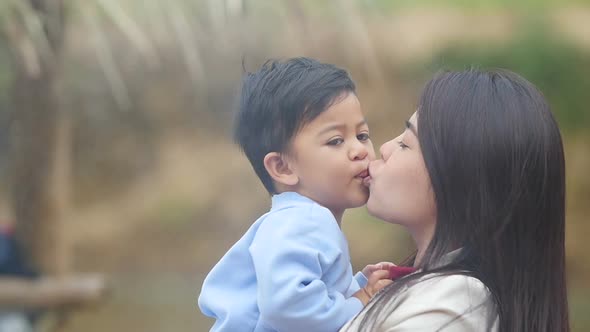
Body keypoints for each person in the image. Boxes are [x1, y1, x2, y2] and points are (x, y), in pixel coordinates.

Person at [342, 69, 569, 331]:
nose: (384, 149)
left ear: (460, 178)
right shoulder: (441, 293)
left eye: (405, 144)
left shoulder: (449, 307)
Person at [198, 57, 394, 332]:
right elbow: (287, 306)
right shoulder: (304, 222)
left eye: (362, 135)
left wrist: (361, 284)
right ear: (282, 167)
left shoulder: (297, 221)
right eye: (336, 141)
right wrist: (360, 301)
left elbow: (308, 294)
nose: (360, 150)